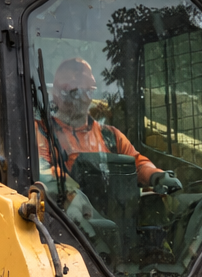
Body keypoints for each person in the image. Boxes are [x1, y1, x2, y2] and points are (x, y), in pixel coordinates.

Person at [34, 57, 183, 195]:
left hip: (115, 216)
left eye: (85, 92)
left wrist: (155, 175)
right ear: (56, 94)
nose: (80, 98)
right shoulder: (41, 132)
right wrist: (70, 187)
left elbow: (136, 164)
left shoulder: (111, 136)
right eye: (73, 93)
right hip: (64, 218)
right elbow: (43, 173)